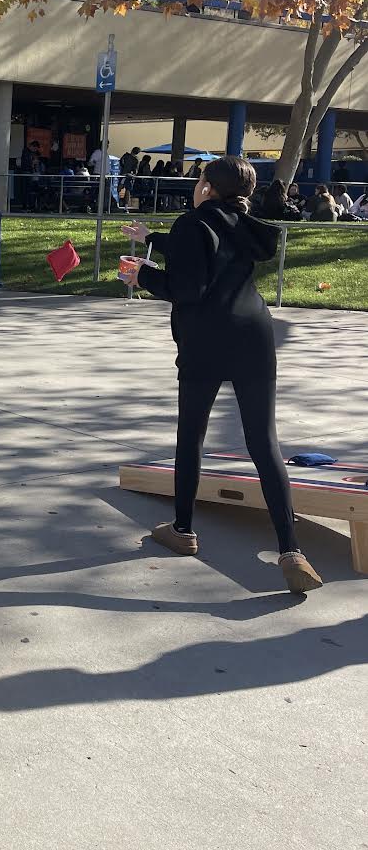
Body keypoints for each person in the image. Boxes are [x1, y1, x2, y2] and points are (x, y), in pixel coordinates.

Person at [119, 155, 322, 593]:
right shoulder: (242, 223)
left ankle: (183, 529)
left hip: (207, 340)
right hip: (254, 334)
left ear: (208, 188)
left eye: (199, 180)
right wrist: (150, 237)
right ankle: (291, 550)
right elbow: (211, 247)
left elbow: (188, 286)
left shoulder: (192, 222)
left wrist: (144, 277)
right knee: (264, 443)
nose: (195, 186)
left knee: (191, 434)